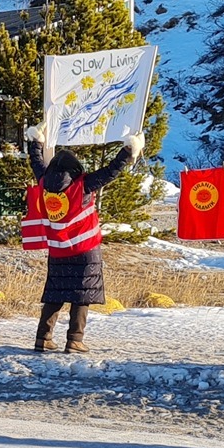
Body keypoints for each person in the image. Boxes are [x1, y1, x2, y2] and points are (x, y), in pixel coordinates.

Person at [24, 127, 141, 354]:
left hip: (58, 250)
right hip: (85, 249)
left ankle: (43, 338)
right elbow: (111, 171)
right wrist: (128, 151)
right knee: (81, 295)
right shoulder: (83, 185)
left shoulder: (44, 182)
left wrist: (36, 143)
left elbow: (35, 162)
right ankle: (75, 340)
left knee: (55, 295)